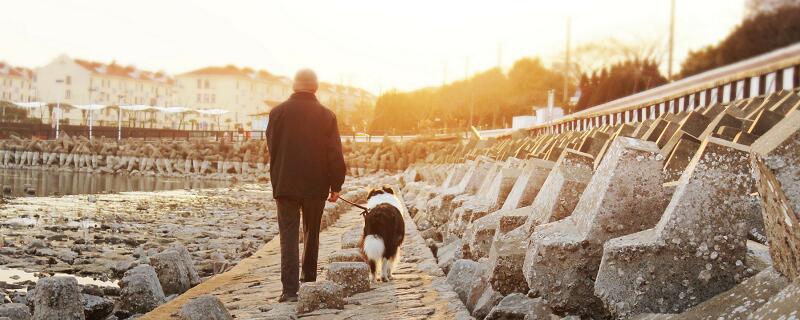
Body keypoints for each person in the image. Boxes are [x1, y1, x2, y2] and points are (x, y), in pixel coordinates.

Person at [266, 68, 347, 302]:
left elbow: (273, 147)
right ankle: (309, 280)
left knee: (288, 236)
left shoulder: (277, 113)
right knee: (312, 234)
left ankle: (289, 290)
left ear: (294, 86)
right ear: (315, 87)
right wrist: (336, 185)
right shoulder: (326, 115)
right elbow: (334, 153)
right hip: (315, 184)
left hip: (285, 184)